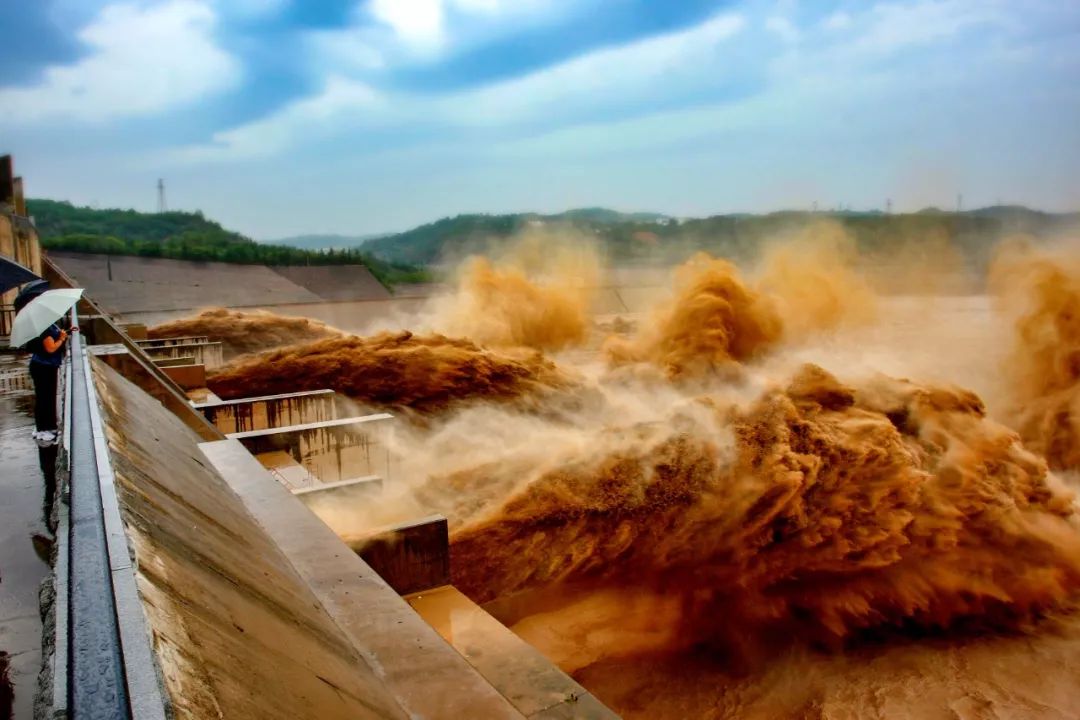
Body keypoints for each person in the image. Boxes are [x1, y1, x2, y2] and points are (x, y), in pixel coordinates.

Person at [26, 322, 76, 447]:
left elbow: (55, 336)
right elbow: (51, 348)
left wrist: (67, 331)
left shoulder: (49, 325)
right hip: (44, 367)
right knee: (46, 398)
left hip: (43, 365)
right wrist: (62, 338)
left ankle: (40, 428)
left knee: (43, 397)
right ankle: (46, 430)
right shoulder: (45, 328)